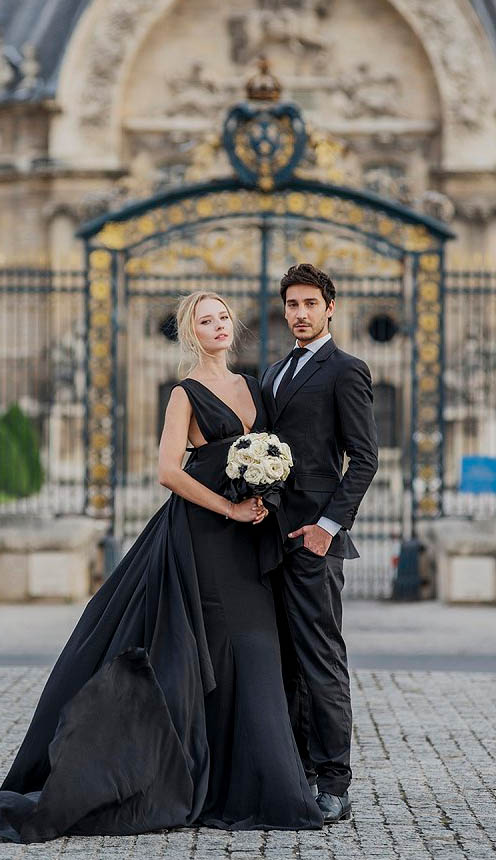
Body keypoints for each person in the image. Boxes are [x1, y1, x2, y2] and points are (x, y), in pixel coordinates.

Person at [0, 290, 323, 843]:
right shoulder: (184, 393)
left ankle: (262, 786)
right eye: (205, 320)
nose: (217, 326)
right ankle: (202, 781)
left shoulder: (255, 386)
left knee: (255, 650)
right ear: (191, 333)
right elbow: (168, 471)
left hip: (250, 539)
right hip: (205, 535)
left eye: (222, 317)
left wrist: (265, 493)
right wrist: (229, 507)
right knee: (210, 651)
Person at [261, 263, 378, 824]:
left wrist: (327, 527)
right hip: (268, 536)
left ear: (330, 308)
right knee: (284, 661)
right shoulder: (273, 371)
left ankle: (335, 782)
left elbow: (365, 458)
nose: (301, 313)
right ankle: (299, 772)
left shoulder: (346, 370)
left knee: (321, 661)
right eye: (293, 304)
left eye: (311, 303)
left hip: (314, 540)